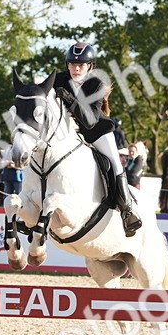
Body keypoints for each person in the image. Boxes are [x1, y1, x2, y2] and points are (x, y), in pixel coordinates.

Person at [51, 42, 142, 236]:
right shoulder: (57, 79)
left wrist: (69, 99)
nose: (76, 68)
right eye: (72, 64)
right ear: (67, 65)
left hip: (96, 132)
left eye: (81, 65)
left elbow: (90, 121)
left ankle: (127, 210)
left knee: (115, 163)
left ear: (90, 66)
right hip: (67, 133)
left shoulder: (96, 84)